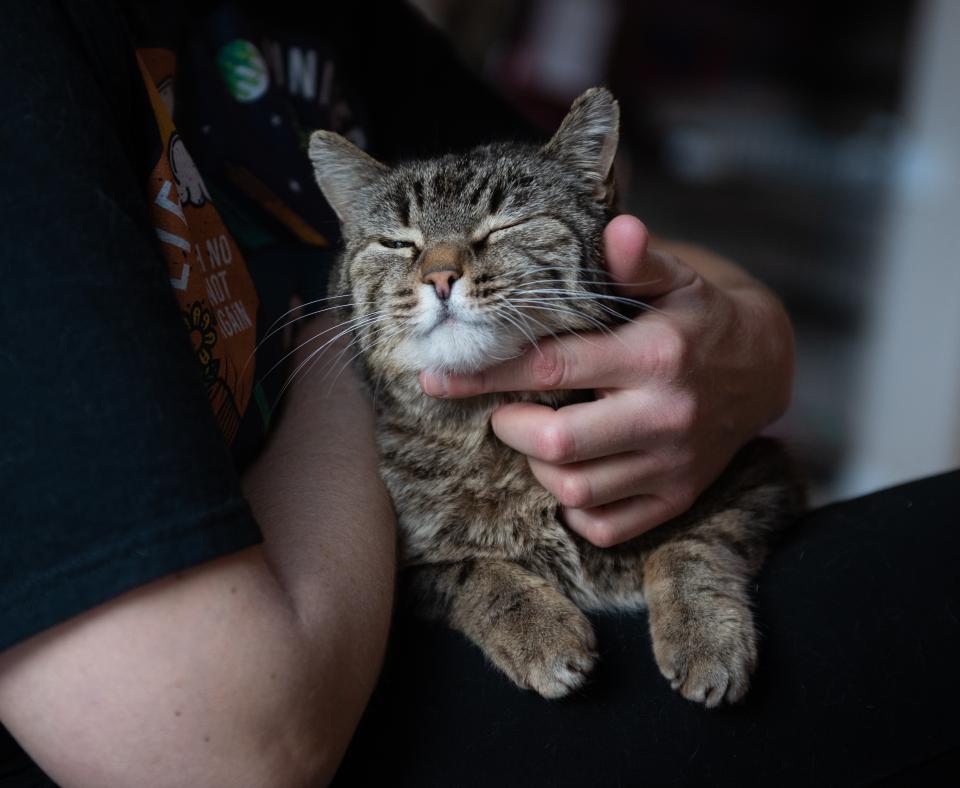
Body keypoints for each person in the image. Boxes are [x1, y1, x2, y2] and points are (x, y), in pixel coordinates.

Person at [0, 2, 956, 787]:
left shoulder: (319, 22)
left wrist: (754, 339)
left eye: (498, 235)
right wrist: (358, 343)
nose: (449, 268)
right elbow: (217, 760)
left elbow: (668, 271)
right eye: (408, 250)